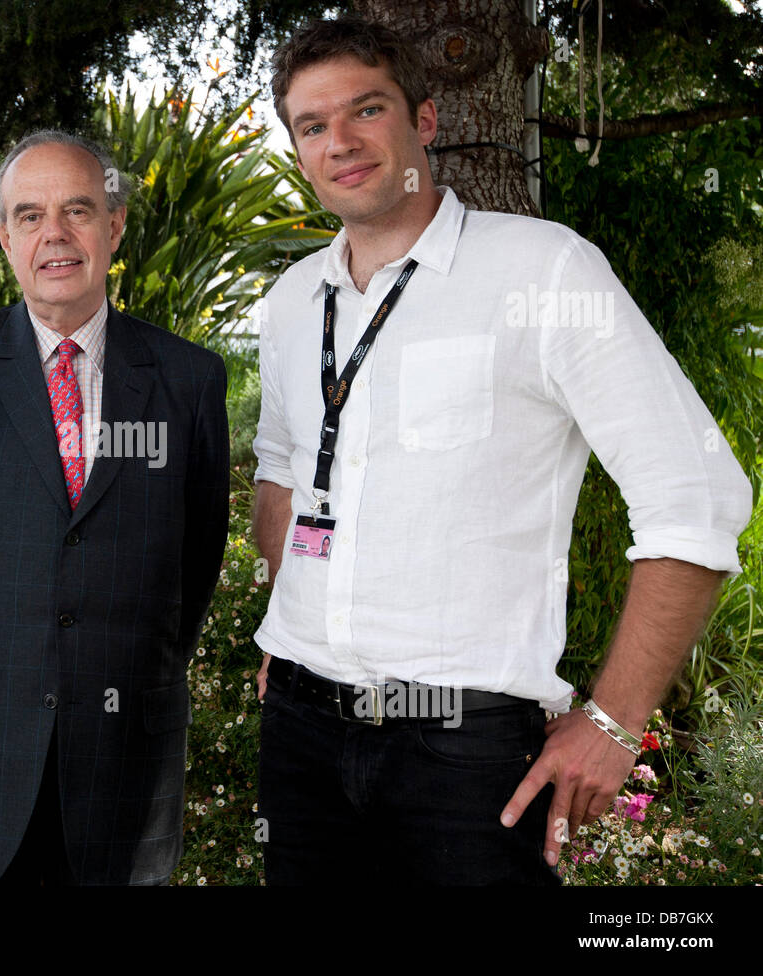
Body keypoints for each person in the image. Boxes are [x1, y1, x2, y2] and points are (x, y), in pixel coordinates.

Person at [250, 18, 751, 885]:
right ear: (298, 148)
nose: (342, 143)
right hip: (300, 733)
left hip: (464, 754)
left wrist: (615, 720)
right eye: (312, 125)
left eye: (367, 110)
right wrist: (292, 620)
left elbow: (696, 496)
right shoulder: (294, 302)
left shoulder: (544, 272)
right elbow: (284, 470)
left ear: (427, 121)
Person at [0, 130, 230, 885]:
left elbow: (192, 569)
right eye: (30, 216)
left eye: (78, 210)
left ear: (115, 225)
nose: (55, 235)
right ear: (4, 237)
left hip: (121, 766)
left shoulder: (189, 381)